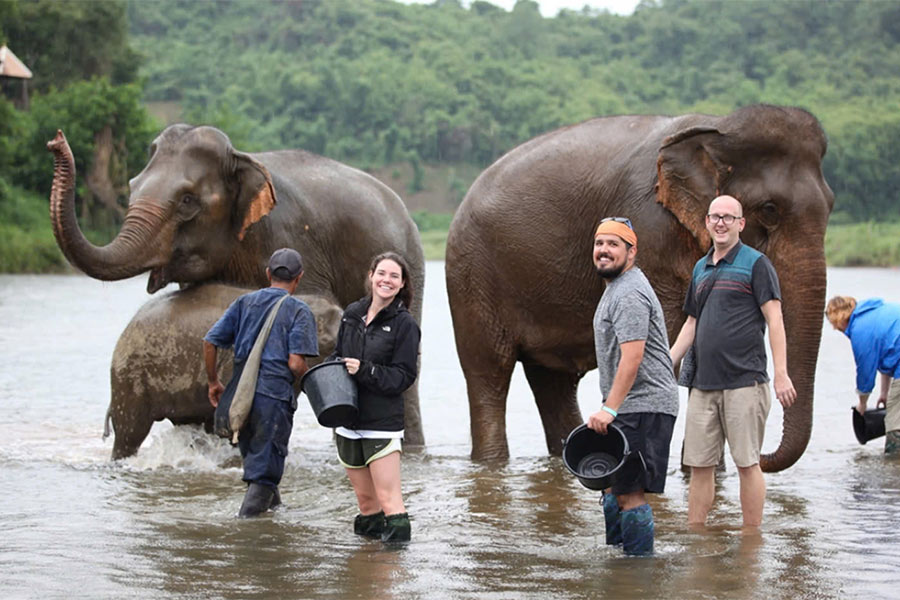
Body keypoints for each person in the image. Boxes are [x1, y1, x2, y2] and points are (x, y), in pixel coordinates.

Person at [670, 195, 797, 529]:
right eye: (715, 217)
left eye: (729, 217)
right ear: (708, 223)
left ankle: (751, 540)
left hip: (745, 382)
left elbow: (775, 319)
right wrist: (667, 360)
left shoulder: (756, 264)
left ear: (741, 224)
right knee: (699, 465)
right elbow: (691, 324)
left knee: (746, 463)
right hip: (703, 386)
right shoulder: (701, 267)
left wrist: (781, 374)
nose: (721, 223)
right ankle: (696, 535)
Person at [587, 217, 679, 556]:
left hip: (645, 405)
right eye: (600, 244)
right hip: (631, 405)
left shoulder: (628, 293)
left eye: (613, 244)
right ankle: (619, 568)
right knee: (613, 489)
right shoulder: (617, 288)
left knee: (629, 493)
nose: (604, 251)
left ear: (631, 251)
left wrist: (609, 408)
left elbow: (633, 356)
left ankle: (639, 573)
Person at [203, 248, 319, 517]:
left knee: (259, 464)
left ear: (268, 274)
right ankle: (245, 538)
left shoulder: (244, 303)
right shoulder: (299, 311)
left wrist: (213, 382)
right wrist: (315, 382)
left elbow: (210, 341)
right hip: (273, 400)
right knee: (265, 475)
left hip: (241, 400)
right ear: (299, 278)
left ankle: (274, 519)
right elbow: (295, 363)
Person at [329, 251, 421, 543]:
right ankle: (367, 568)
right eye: (382, 273)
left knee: (390, 500)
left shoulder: (405, 325)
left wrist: (364, 370)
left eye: (394, 276)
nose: (386, 280)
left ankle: (394, 572)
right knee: (367, 505)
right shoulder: (352, 313)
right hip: (347, 421)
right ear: (371, 276)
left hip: (382, 423)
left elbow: (404, 377)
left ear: (402, 283)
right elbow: (338, 355)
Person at [825, 295, 900, 454]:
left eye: (835, 324)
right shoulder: (872, 314)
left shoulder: (860, 329)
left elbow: (865, 374)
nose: (836, 329)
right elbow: (887, 354)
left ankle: (894, 465)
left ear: (839, 318)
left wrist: (862, 404)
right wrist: (884, 393)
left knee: (895, 421)